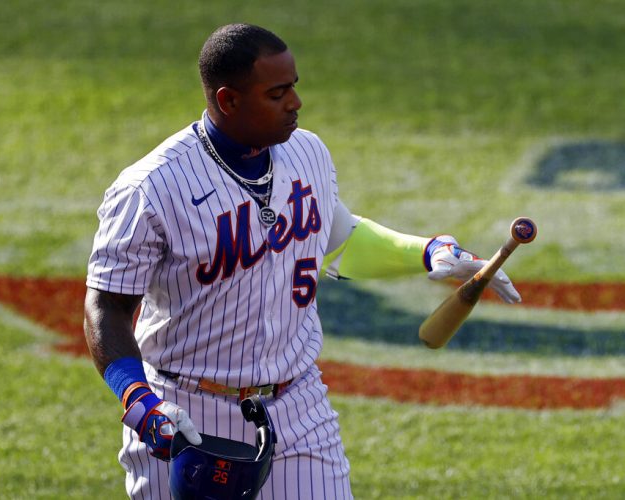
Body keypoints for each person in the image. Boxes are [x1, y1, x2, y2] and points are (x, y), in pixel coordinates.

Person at [83, 23, 520, 499]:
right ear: (228, 100)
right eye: (277, 93)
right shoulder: (151, 189)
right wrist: (138, 400)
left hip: (296, 408)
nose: (295, 103)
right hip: (186, 417)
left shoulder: (306, 152)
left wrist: (426, 251)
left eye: (294, 87)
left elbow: (339, 241)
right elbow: (106, 309)